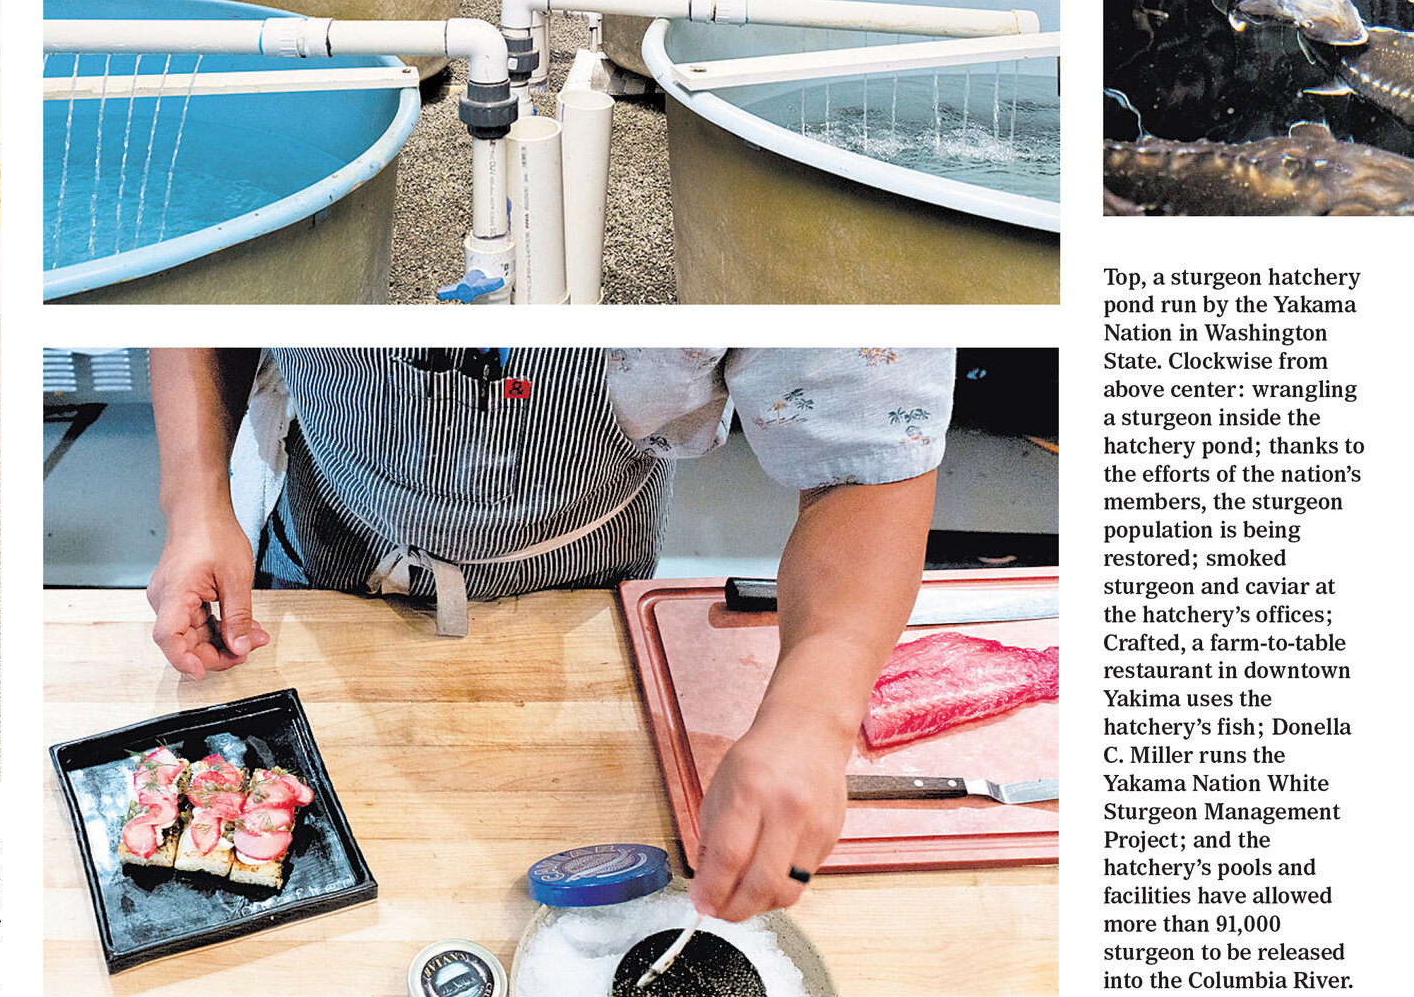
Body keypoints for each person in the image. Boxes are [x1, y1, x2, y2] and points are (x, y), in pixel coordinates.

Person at [143, 346, 954, 921]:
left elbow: (866, 460)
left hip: (587, 596)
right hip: (327, 552)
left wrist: (813, 713)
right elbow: (190, 281)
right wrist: (197, 501)